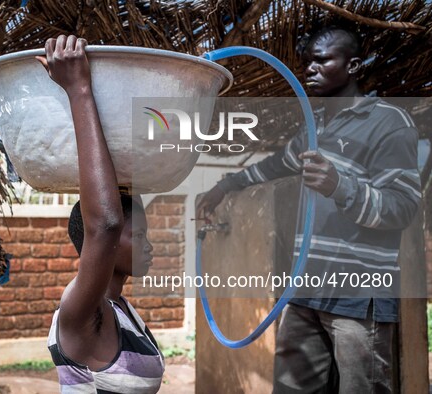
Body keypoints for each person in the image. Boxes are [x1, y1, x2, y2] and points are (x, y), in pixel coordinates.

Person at [197, 27, 421, 393]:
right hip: (306, 290)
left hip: (358, 297)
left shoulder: (390, 123)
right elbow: (275, 166)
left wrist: (340, 186)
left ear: (354, 66)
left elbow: (403, 207)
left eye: (322, 60)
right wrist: (224, 186)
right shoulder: (315, 126)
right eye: (306, 63)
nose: (310, 70)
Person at [36, 35, 165, 393]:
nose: (149, 246)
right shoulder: (79, 313)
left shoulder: (121, 310)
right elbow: (105, 224)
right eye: (138, 235)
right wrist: (78, 89)